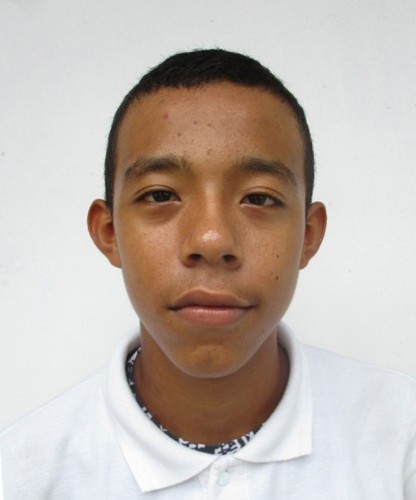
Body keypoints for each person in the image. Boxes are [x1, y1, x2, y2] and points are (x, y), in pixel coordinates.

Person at [1, 49, 415, 499]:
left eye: (259, 198)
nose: (212, 239)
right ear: (110, 233)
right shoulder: (23, 474)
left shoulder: (401, 444)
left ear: (308, 235)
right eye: (161, 195)